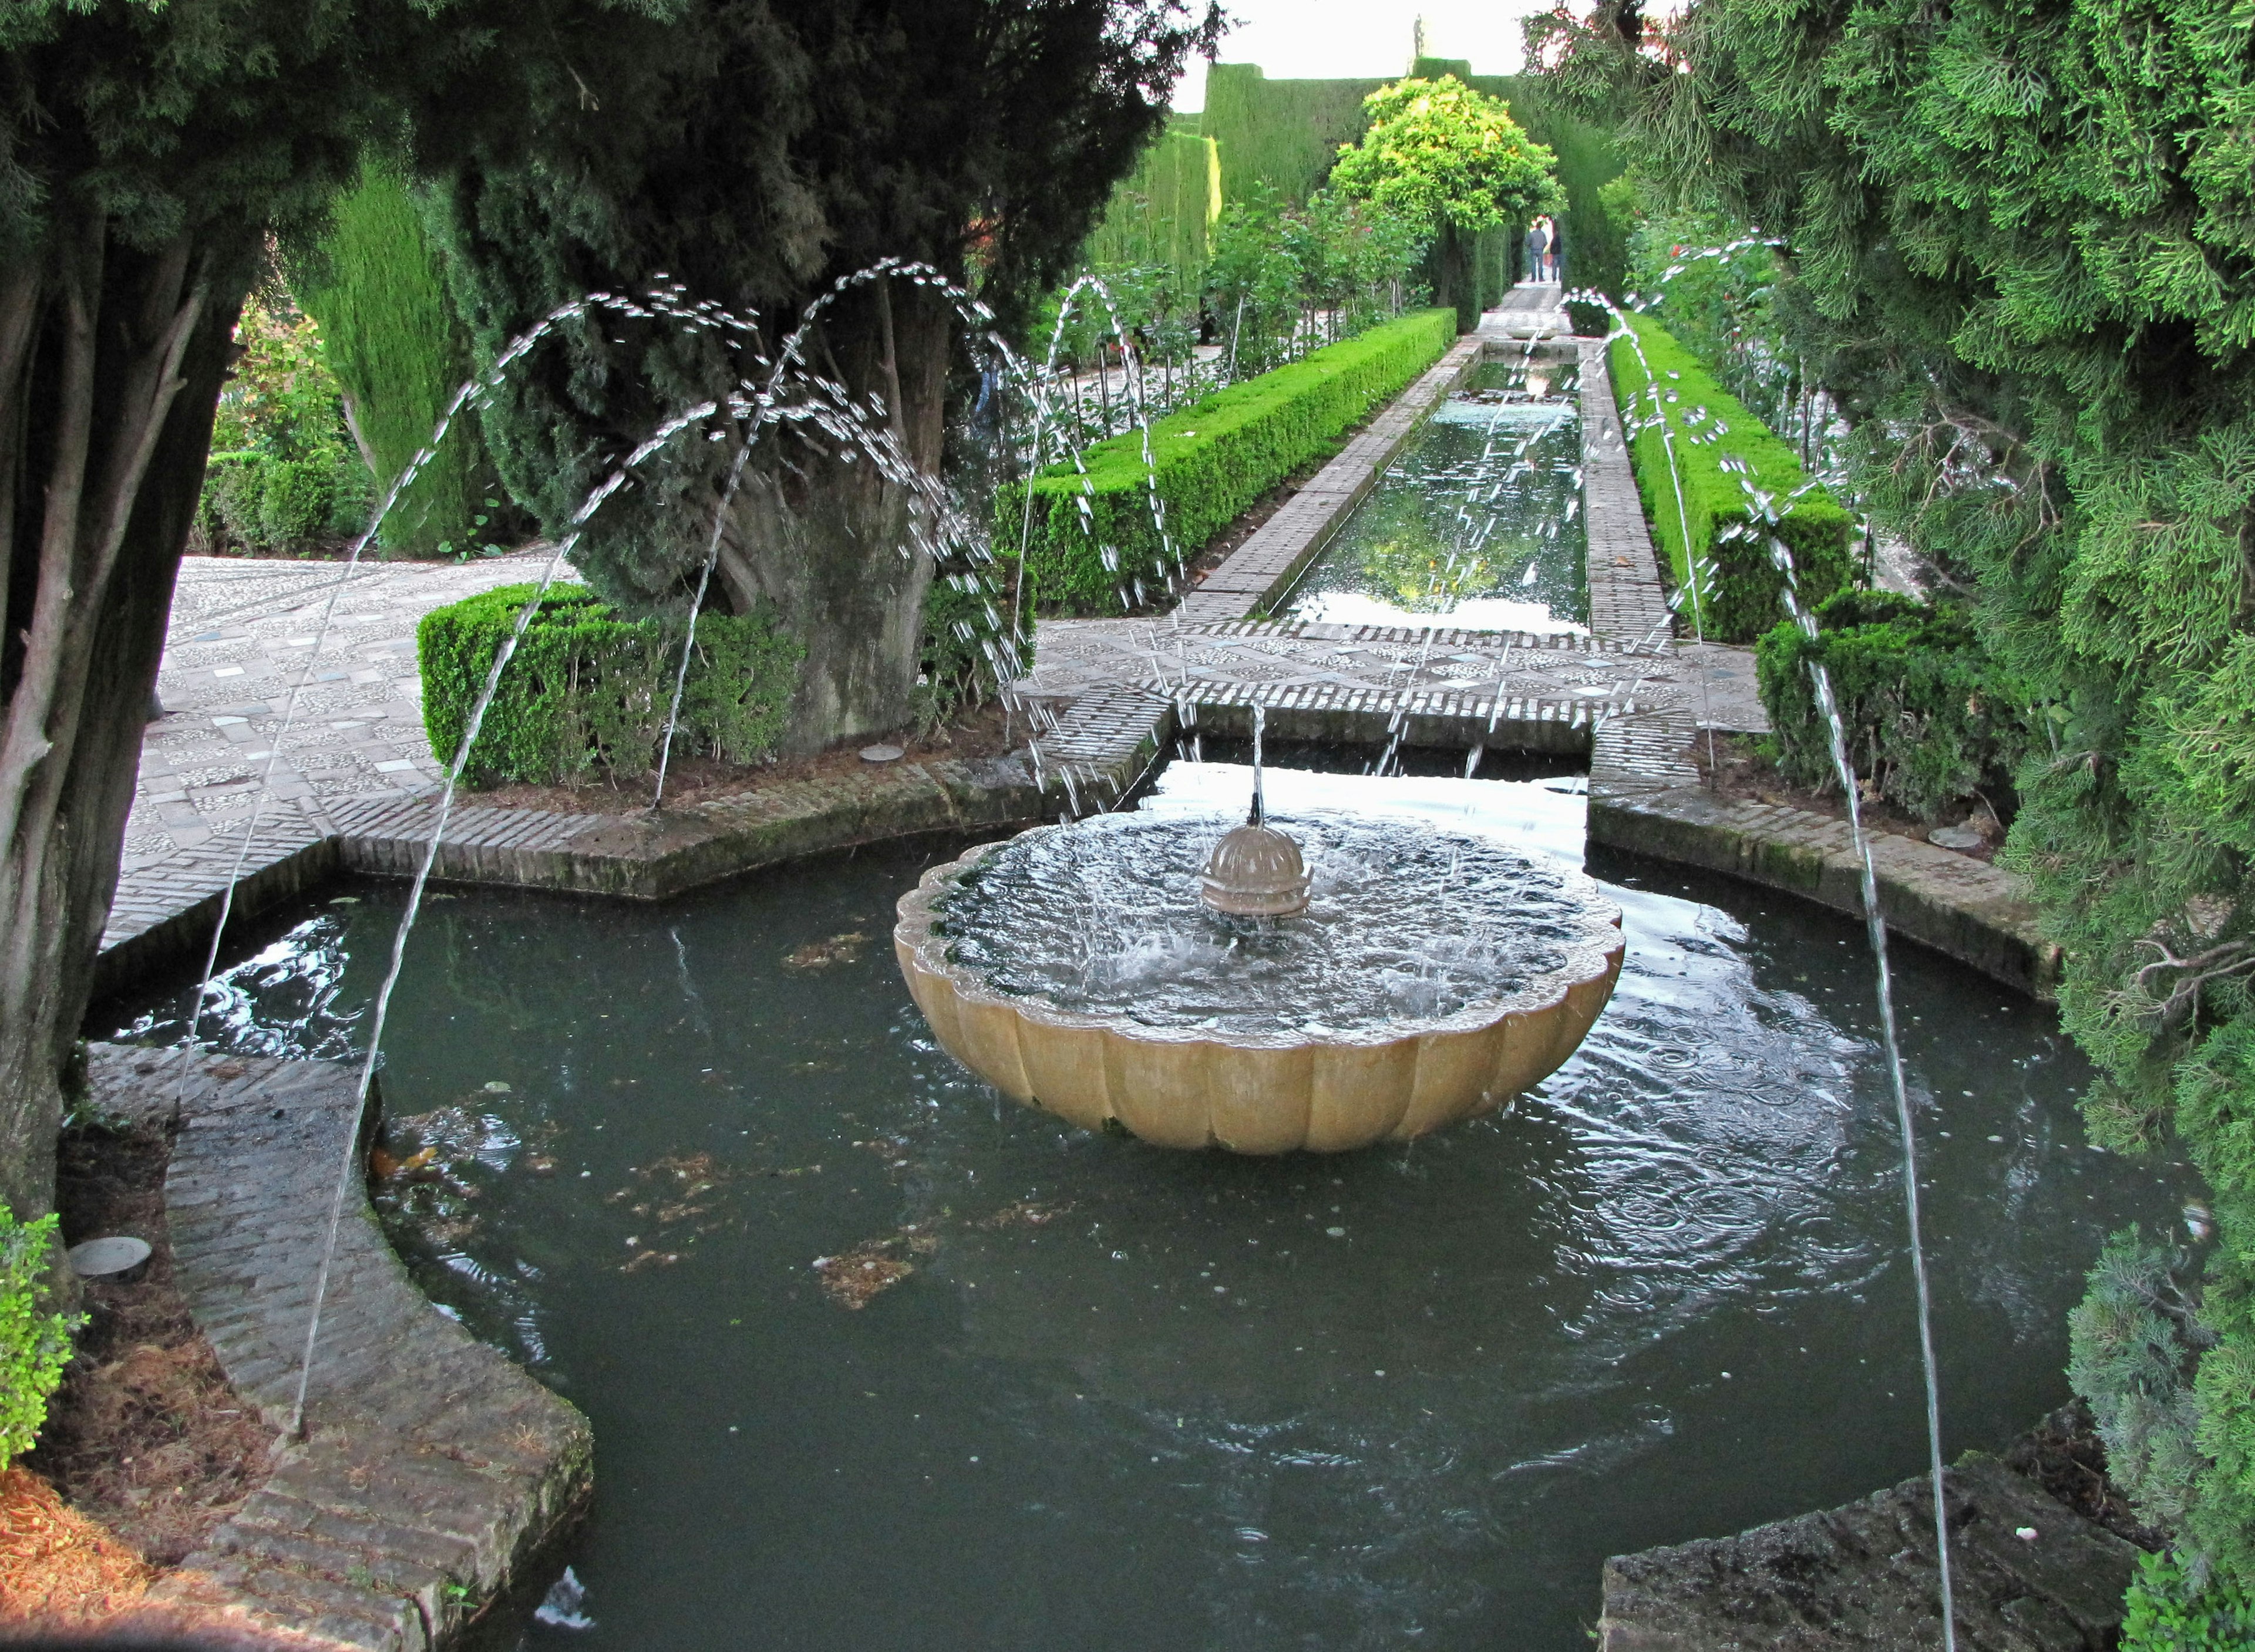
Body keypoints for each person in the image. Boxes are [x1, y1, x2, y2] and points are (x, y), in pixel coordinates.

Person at [1526, 218, 1550, 285]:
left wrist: (1530, 247)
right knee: (1540, 265)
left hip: (1533, 250)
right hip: (1540, 250)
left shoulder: (1531, 234)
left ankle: (1533, 278)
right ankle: (1541, 278)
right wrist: (1542, 247)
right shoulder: (1543, 234)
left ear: (1536, 227)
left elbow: (1527, 242)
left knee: (1533, 265)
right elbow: (1546, 242)